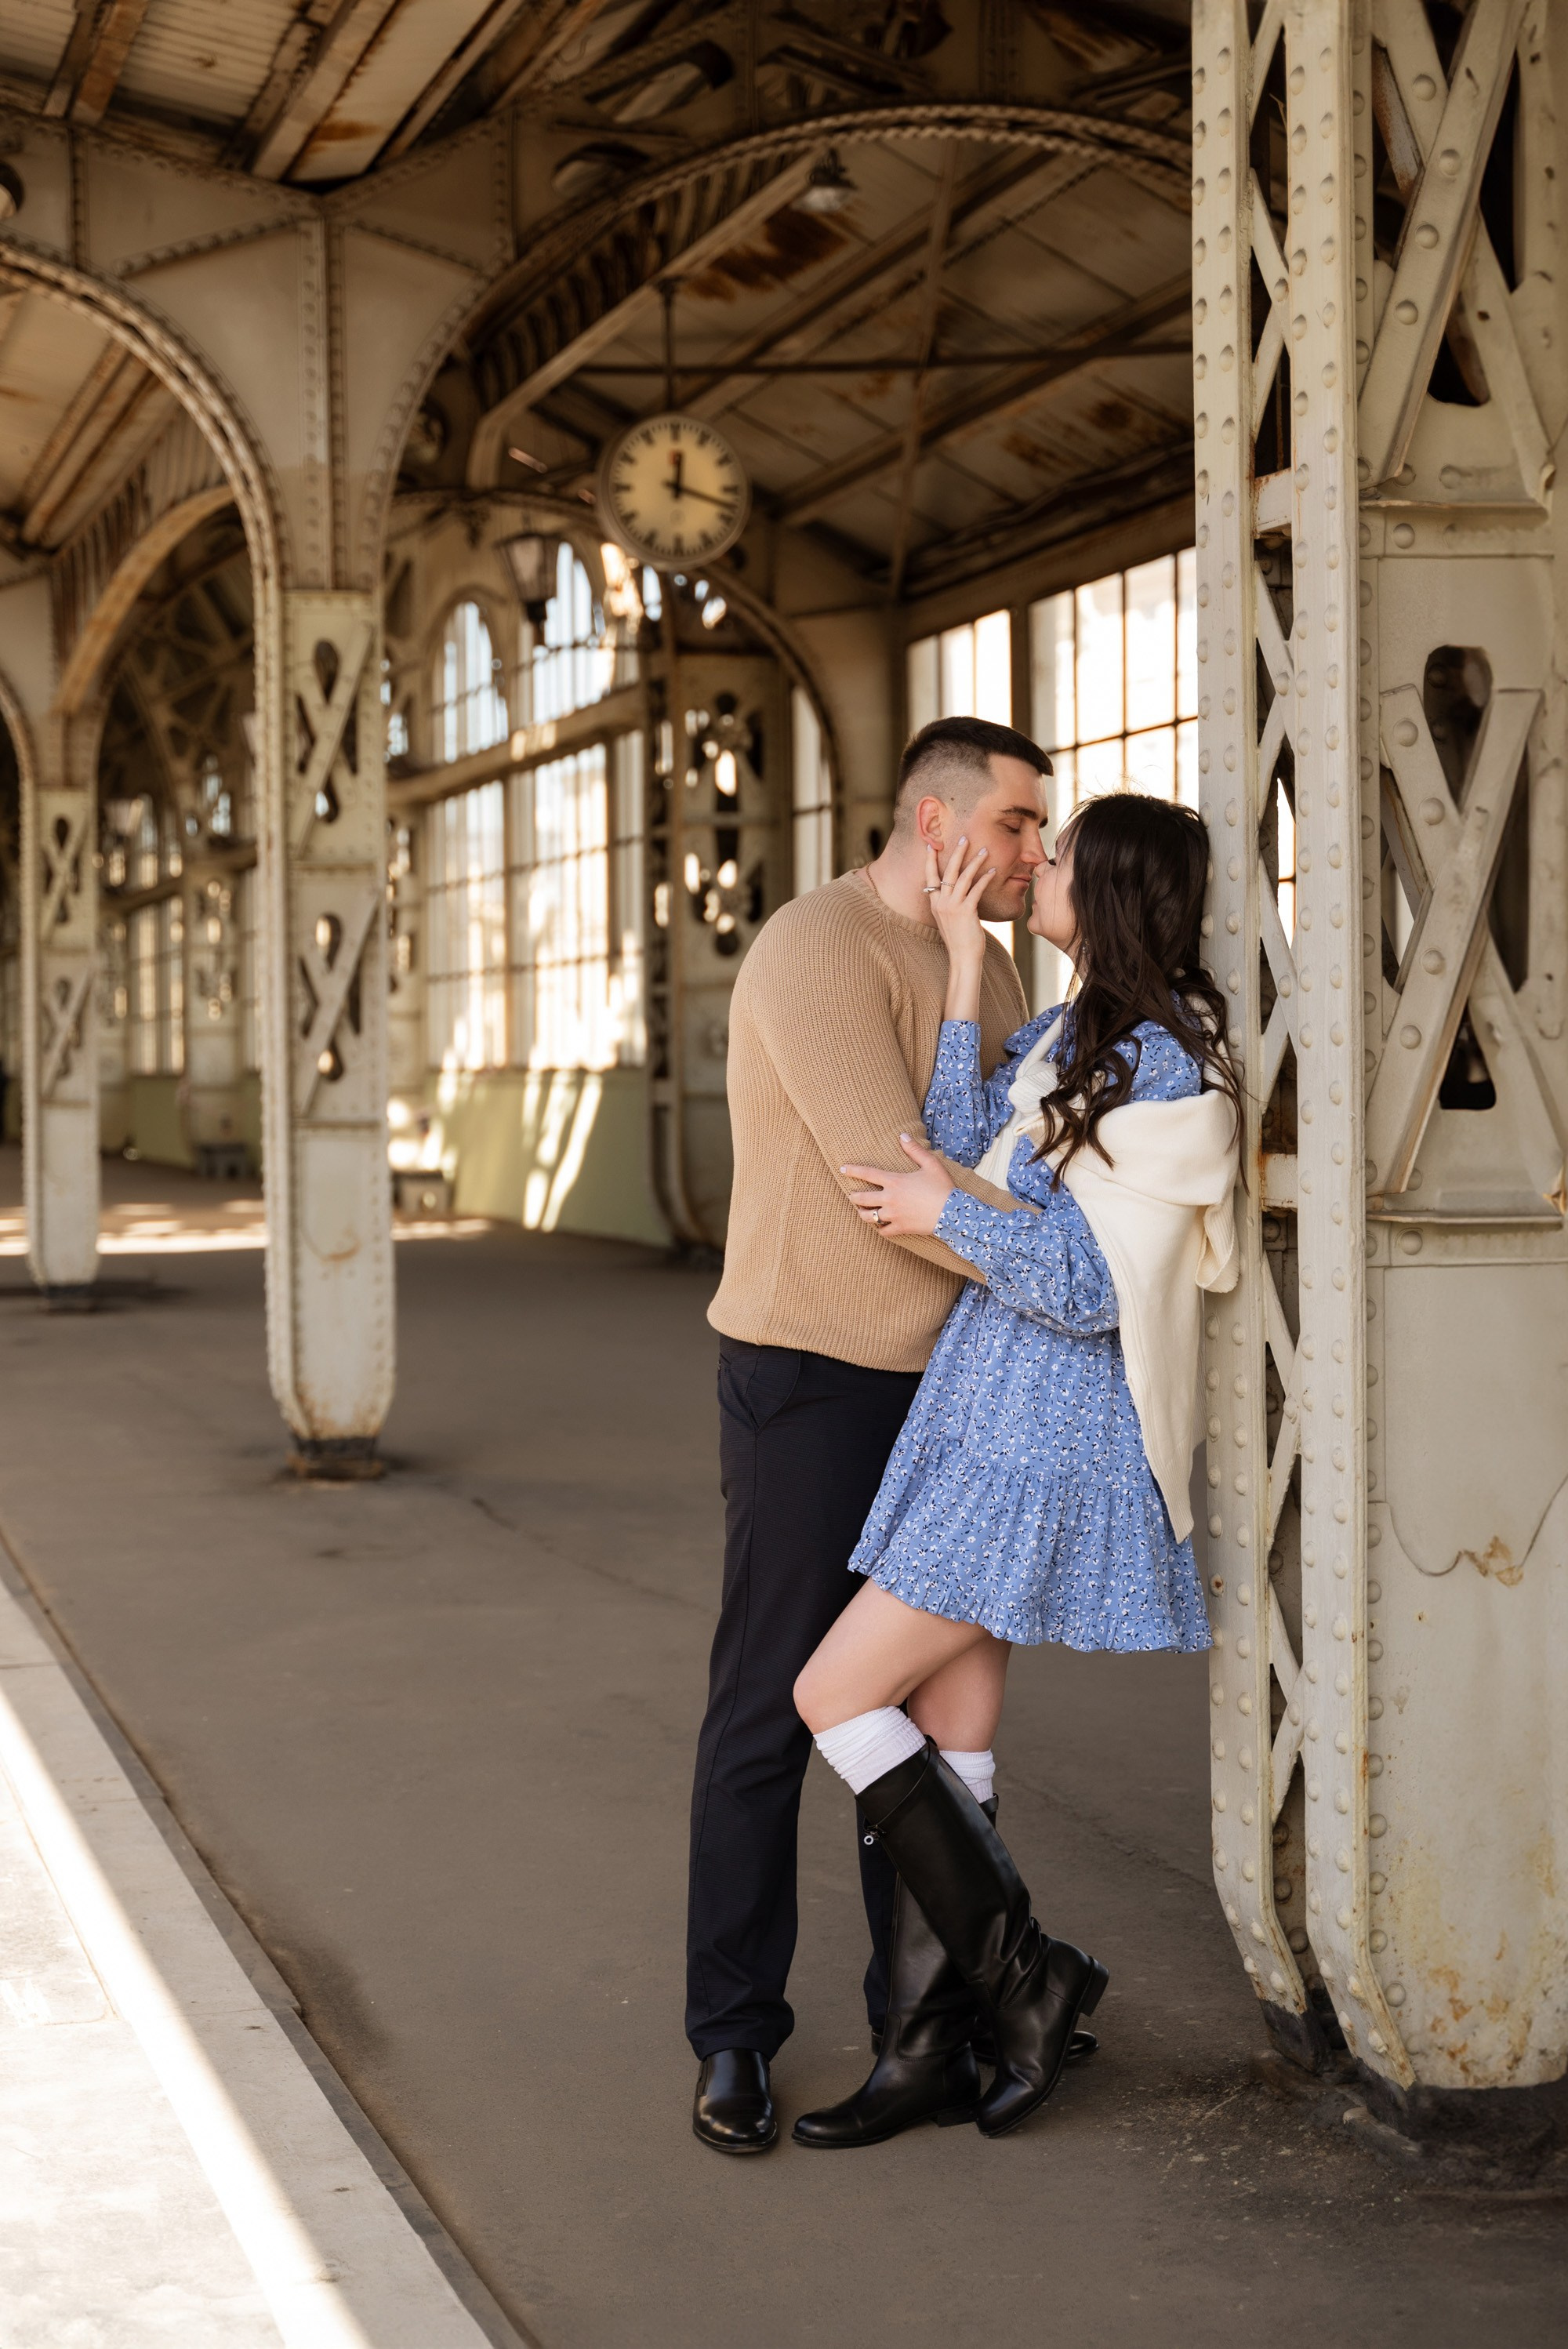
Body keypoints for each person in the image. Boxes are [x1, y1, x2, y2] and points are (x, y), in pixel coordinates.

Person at [793, 790, 1242, 2146]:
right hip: (987, 1404)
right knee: (953, 1734)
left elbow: (1094, 1286)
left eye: (1056, 854)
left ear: (1107, 892)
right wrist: (961, 966)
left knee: (831, 1693)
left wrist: (942, 1212)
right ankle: (932, 2047)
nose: (1031, 862)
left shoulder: (1166, 1064)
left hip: (1050, 1424)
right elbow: (958, 1136)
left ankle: (1033, 1974)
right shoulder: (1068, 1031)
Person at [688, 714, 1052, 2155]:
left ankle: (928, 2030)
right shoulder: (814, 949)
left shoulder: (996, 959)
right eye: (1021, 822)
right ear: (936, 821)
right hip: (811, 1374)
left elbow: (1030, 1156)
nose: (1036, 850)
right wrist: (1064, 1269)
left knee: (902, 1716)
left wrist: (1029, 1234)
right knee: (775, 1703)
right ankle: (731, 2037)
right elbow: (900, 1185)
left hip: (951, 1380)